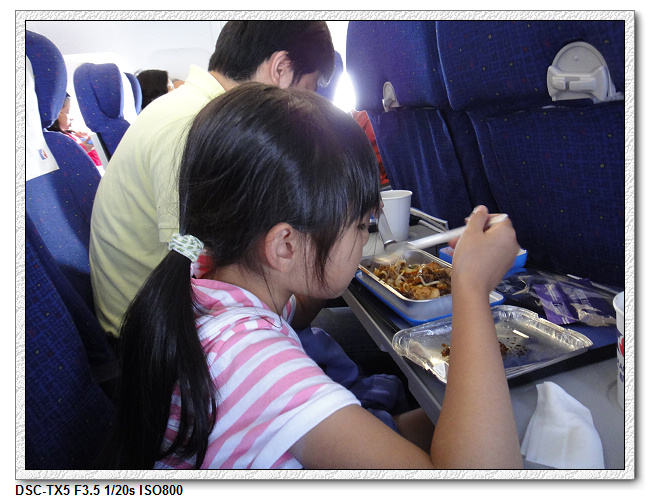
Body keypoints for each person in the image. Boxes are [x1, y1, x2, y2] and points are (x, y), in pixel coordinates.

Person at [108, 83, 523, 470]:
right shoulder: (255, 365)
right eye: (361, 226)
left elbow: (298, 306)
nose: (365, 240)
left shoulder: (207, 277)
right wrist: (470, 287)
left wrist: (328, 262)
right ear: (284, 246)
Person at [89, 21, 335, 338]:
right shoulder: (193, 126)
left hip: (172, 318)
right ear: (281, 69)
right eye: (309, 91)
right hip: (157, 341)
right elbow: (206, 275)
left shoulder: (201, 111)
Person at [47, 94, 102, 167]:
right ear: (54, 115)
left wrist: (90, 146)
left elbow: (97, 162)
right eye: (67, 112)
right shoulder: (55, 140)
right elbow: (65, 162)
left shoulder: (73, 135)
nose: (72, 118)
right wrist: (82, 148)